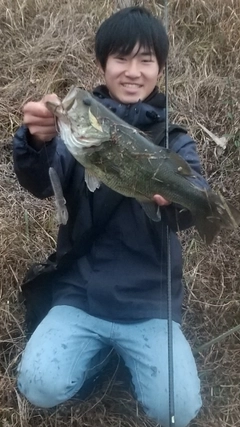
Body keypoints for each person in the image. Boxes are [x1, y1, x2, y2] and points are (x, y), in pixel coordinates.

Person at [13, 6, 205, 427]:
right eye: (121, 58)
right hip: (81, 291)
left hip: (150, 301)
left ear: (160, 68)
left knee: (177, 412)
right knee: (37, 385)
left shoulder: (174, 139)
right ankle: (94, 354)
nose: (132, 71)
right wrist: (34, 140)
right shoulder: (83, 126)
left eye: (146, 60)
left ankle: (129, 355)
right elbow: (40, 181)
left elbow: (193, 202)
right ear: (103, 65)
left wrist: (183, 203)